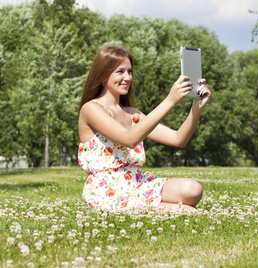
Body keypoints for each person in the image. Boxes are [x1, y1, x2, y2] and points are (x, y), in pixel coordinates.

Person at [78, 45, 211, 213]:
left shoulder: (132, 113)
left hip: (138, 182)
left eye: (130, 72)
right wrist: (170, 101)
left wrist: (196, 107)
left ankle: (155, 206)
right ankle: (159, 208)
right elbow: (128, 139)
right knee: (188, 211)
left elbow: (178, 139)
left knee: (193, 189)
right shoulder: (91, 109)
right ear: (103, 75)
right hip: (106, 190)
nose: (127, 77)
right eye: (120, 72)